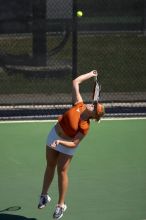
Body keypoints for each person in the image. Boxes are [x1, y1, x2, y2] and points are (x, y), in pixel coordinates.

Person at [38, 70, 105, 219]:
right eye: (95, 104)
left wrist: (61, 142)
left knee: (61, 171)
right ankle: (44, 195)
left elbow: (74, 143)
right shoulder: (79, 104)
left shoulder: (85, 126)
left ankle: (61, 205)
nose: (93, 105)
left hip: (67, 143)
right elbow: (75, 82)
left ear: (94, 116)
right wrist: (91, 74)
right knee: (50, 165)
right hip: (54, 135)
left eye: (95, 108)